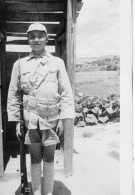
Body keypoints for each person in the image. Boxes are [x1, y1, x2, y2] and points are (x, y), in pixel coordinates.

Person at [7, 23, 75, 195]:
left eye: (40, 36)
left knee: (50, 157)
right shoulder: (19, 64)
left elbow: (66, 92)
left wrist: (63, 119)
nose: (36, 39)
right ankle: (36, 192)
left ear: (47, 38)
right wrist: (16, 122)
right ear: (27, 39)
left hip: (51, 118)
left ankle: (48, 192)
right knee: (35, 157)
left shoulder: (57, 63)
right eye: (32, 36)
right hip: (30, 120)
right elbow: (13, 95)